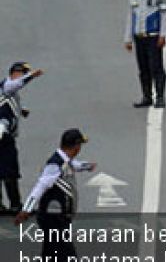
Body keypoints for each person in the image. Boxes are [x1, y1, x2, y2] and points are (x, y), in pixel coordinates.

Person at [15, 129, 96, 261]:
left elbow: (74, 165)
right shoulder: (55, 164)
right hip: (53, 218)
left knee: (51, 253)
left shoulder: (65, 160)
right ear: (76, 146)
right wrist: (26, 210)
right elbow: (40, 187)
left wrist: (86, 166)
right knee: (66, 254)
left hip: (58, 217)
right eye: (80, 145)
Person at [0, 62, 43, 213]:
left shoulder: (6, 90)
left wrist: (21, 111)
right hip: (3, 136)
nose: (24, 76)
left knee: (3, 170)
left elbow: (8, 104)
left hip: (3, 134)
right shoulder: (8, 86)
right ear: (16, 73)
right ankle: (15, 205)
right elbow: (15, 85)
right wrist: (31, 76)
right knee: (10, 170)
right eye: (23, 73)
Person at [125, 0, 166, 108]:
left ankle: (160, 96)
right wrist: (128, 38)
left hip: (153, 36)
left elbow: (165, 16)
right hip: (139, 37)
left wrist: (163, 35)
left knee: (156, 67)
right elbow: (130, 18)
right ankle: (147, 96)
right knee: (143, 68)